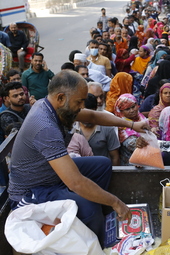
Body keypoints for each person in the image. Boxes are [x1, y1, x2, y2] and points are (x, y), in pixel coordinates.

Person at [8, 71, 149, 245]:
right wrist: (116, 202)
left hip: (50, 175)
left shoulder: (54, 106)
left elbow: (92, 115)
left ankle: (93, 205)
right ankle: (96, 241)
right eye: (79, 101)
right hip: (34, 191)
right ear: (61, 98)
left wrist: (132, 124)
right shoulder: (44, 126)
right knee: (90, 210)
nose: (82, 106)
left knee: (102, 164)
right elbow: (76, 182)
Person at [74, 94, 120, 166]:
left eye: (89, 115)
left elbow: (115, 157)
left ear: (95, 111)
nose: (86, 118)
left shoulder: (107, 128)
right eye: (84, 114)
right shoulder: (70, 128)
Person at [114, 93, 148, 165]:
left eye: (133, 106)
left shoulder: (141, 118)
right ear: (121, 111)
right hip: (131, 166)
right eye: (127, 109)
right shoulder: (121, 126)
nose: (132, 110)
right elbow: (131, 144)